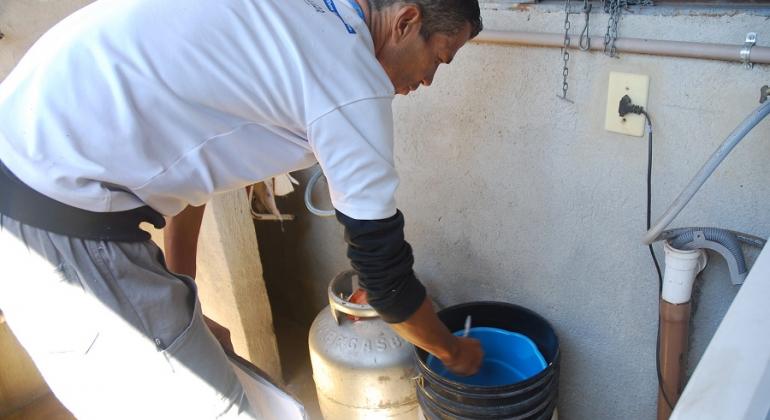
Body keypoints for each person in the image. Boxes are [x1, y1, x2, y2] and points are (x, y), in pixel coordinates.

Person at [0, 0, 484, 418]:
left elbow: (198, 163)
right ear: (405, 21)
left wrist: (184, 291)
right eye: (438, 58)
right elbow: (385, 278)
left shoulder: (298, 19)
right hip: (55, 226)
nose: (427, 80)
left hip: (31, 179)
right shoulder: (351, 78)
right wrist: (453, 351)